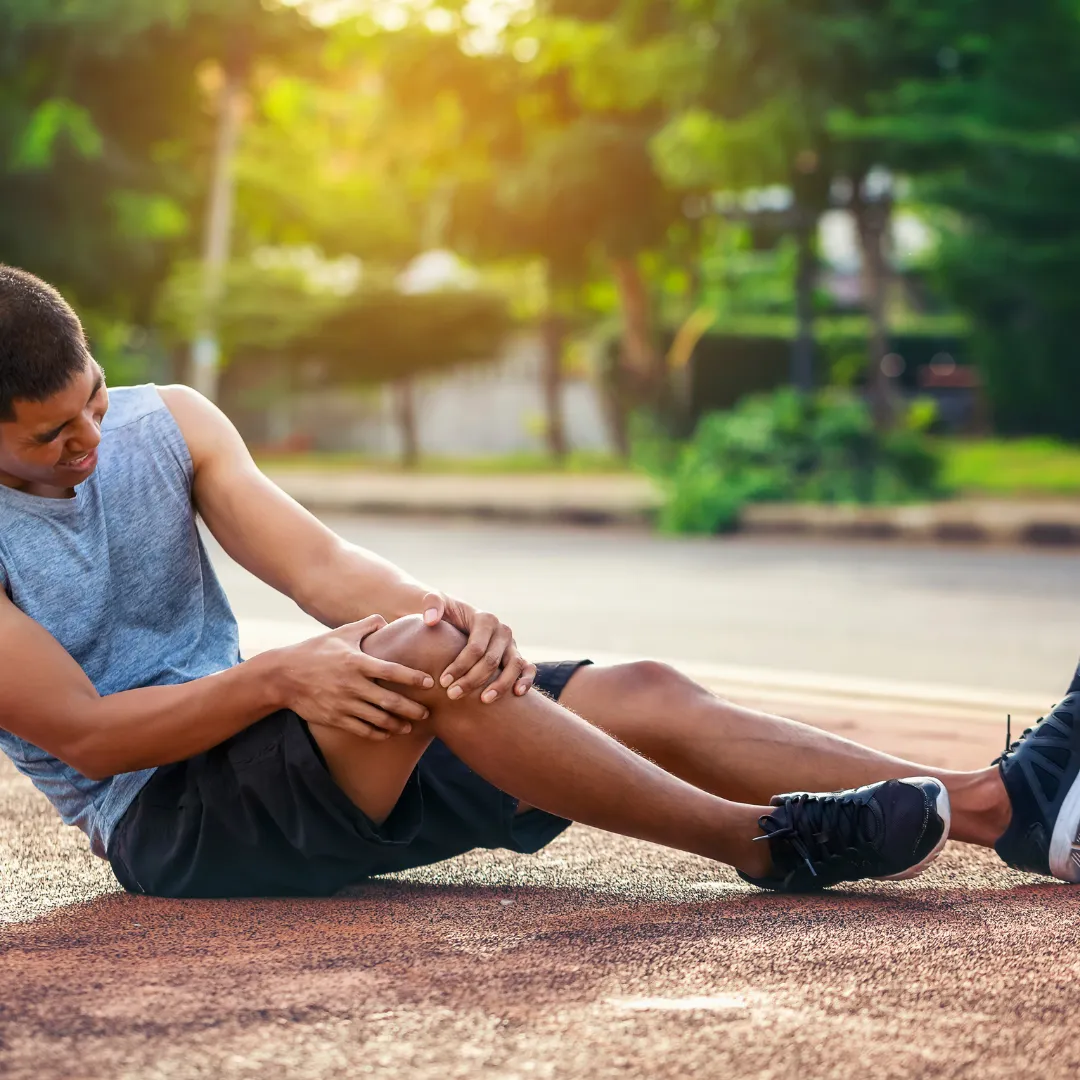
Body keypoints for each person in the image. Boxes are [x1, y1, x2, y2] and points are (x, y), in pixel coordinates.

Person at [0, 265, 1073, 900]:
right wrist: (283, 681)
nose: (91, 437)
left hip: (309, 754)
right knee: (412, 663)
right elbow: (89, 737)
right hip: (172, 821)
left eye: (94, 397)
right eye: (53, 434)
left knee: (639, 688)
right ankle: (763, 842)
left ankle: (999, 808)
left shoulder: (171, 421)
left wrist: (451, 623)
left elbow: (325, 570)